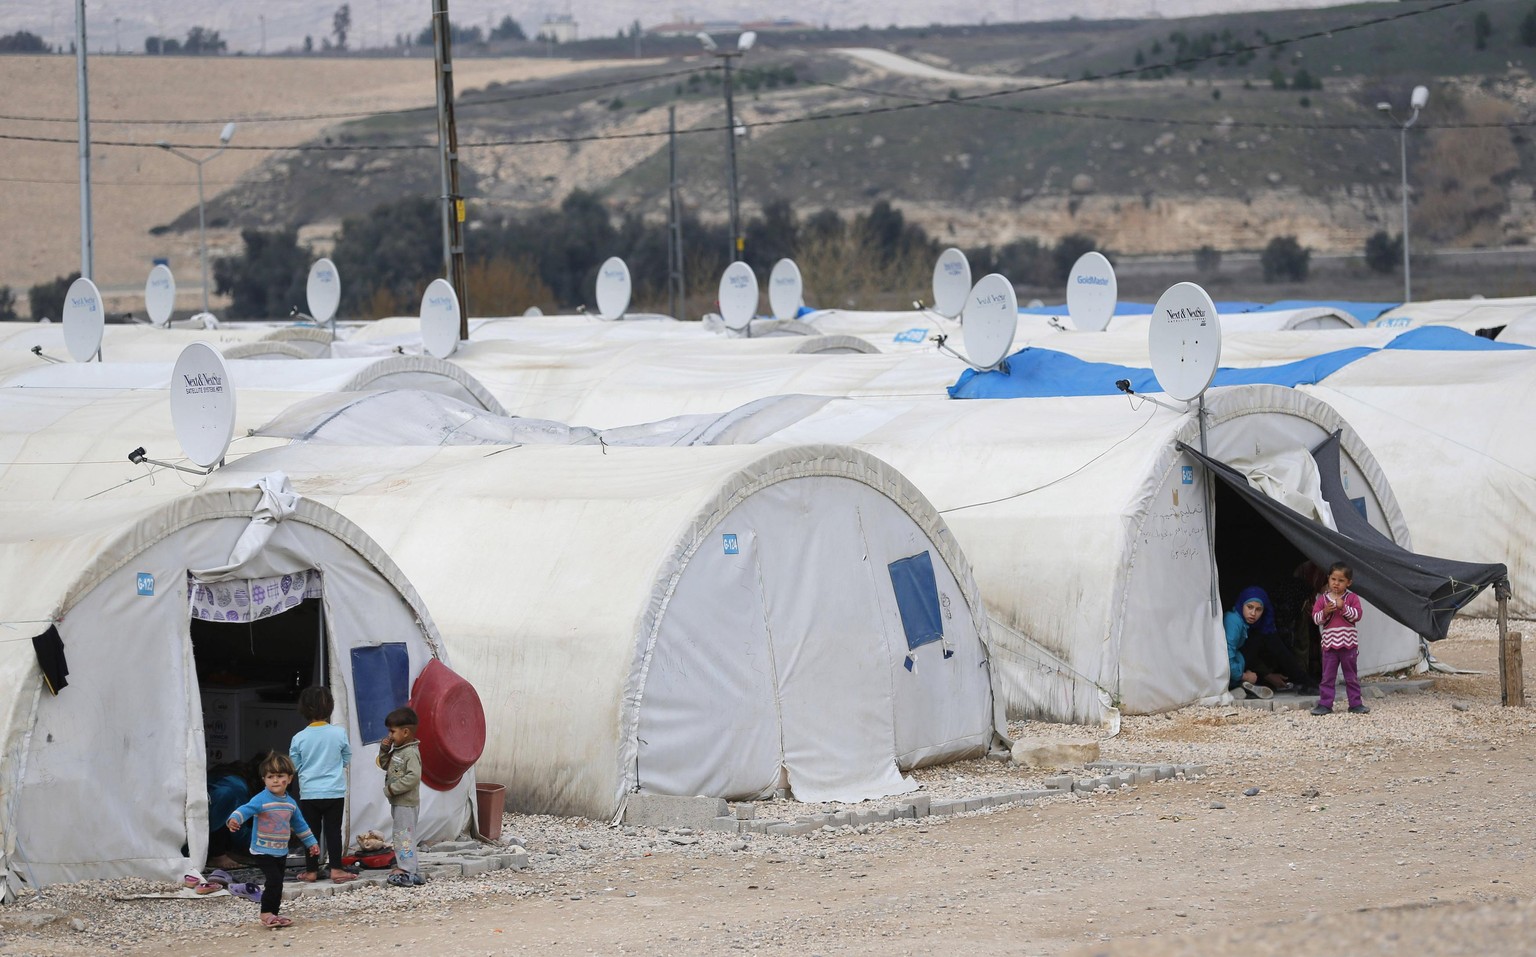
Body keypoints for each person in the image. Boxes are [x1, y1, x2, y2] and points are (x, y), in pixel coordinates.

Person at [226, 751, 320, 928]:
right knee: (274, 881)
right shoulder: (261, 799)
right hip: (262, 849)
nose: (275, 780)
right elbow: (246, 809)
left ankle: (273, 914)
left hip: (280, 850)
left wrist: (312, 843)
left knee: (278, 884)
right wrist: (234, 819)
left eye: (280, 776)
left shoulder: (290, 804)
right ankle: (266, 913)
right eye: (270, 776)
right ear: (264, 779)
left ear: (290, 779)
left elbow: (300, 825)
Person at [289, 686, 356, 884]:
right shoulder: (338, 733)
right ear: (330, 708)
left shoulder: (299, 738)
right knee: (333, 831)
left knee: (310, 833)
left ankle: (311, 871)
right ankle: (336, 869)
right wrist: (335, 766)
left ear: (303, 709)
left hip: (309, 793)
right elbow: (347, 757)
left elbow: (294, 765)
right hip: (334, 791)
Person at [1224, 586, 1306, 697]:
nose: (1253, 613)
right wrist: (1243, 676)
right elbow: (1227, 656)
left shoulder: (1245, 623)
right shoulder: (1234, 622)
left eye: (1258, 609)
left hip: (1235, 667)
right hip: (1228, 670)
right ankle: (1237, 684)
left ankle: (1242, 686)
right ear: (1241, 604)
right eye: (1249, 607)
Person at [1311, 562, 1368, 715]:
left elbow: (1357, 615)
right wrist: (1325, 611)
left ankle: (1355, 703)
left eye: (1341, 580)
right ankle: (1325, 704)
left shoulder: (1352, 598)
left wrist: (1344, 607)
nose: (1336, 583)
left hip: (1348, 645)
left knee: (1351, 676)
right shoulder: (1322, 600)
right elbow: (1316, 619)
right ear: (1328, 579)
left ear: (1348, 583)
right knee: (1327, 677)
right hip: (1329, 646)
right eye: (1333, 579)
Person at [377, 706, 424, 887]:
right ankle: (410, 866)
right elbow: (384, 765)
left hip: (406, 802)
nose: (389, 735)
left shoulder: (411, 753)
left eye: (392, 731)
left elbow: (413, 777)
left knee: (403, 835)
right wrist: (384, 749)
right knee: (402, 834)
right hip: (399, 802)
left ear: (405, 732)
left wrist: (392, 789)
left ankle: (406, 869)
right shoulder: (398, 750)